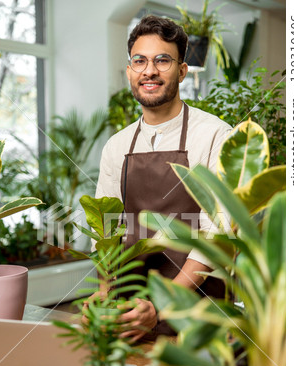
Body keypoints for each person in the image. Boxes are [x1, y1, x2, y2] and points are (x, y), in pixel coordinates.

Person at [94, 15, 231, 342]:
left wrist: (161, 305)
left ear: (182, 71)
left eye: (162, 60)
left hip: (196, 317)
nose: (149, 71)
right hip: (129, 317)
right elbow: (107, 229)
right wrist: (103, 296)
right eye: (139, 61)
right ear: (130, 71)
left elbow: (218, 235)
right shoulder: (117, 146)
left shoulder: (214, 136)